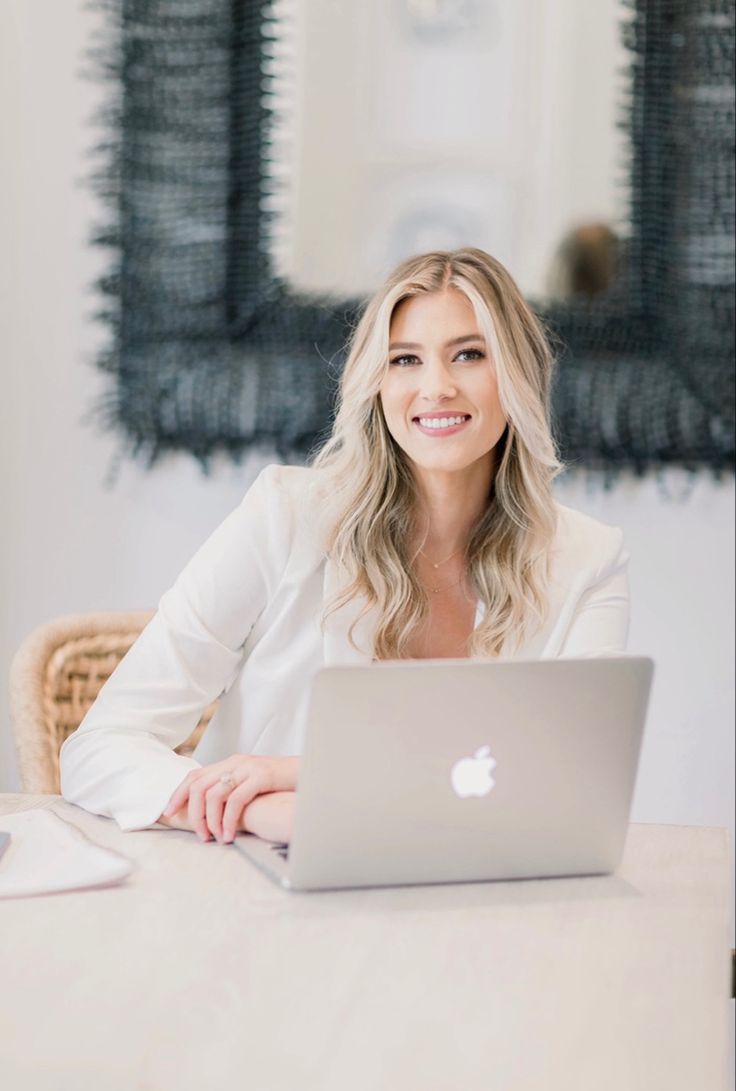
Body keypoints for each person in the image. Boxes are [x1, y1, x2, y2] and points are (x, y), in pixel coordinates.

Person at [60, 247, 629, 847]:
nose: (435, 388)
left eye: (468, 354)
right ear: (376, 384)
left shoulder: (588, 560)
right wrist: (260, 815)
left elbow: (573, 784)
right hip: (261, 888)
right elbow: (100, 746)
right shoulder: (285, 517)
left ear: (516, 374)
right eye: (404, 360)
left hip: (475, 886)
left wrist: (293, 780)